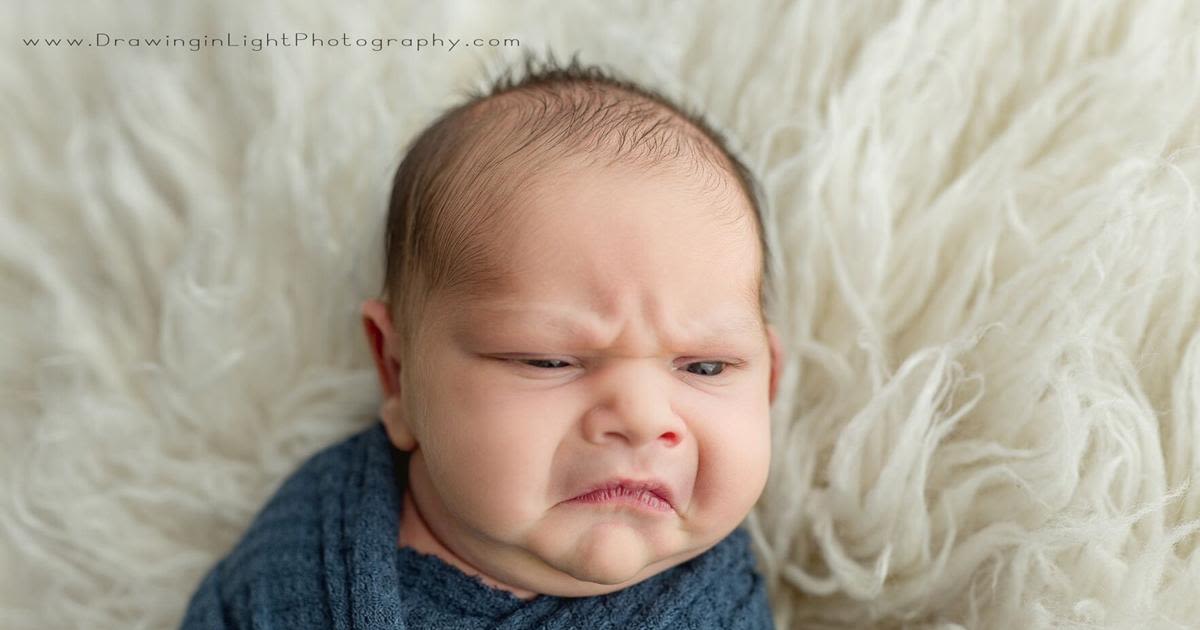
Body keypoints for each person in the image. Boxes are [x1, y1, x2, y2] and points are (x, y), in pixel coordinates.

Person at [182, 50, 784, 629]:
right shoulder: (309, 550)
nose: (642, 418)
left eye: (706, 367)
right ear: (397, 373)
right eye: (548, 360)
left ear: (769, 383)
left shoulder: (723, 608)